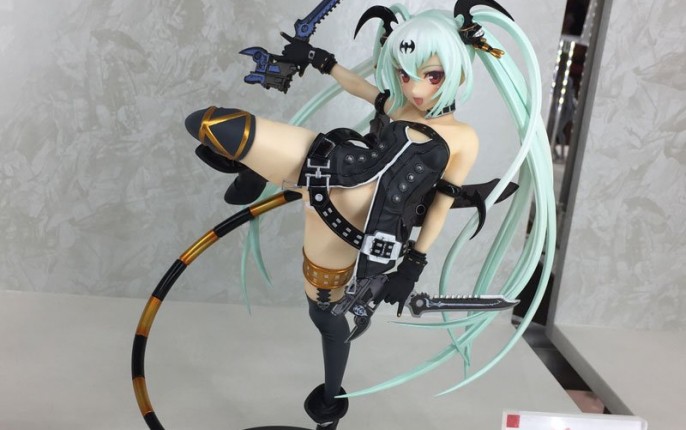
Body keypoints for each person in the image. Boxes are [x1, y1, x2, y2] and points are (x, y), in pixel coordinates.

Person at [184, 2, 555, 429]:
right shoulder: (399, 106)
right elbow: (359, 87)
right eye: (405, 75)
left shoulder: (462, 138)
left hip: (350, 231)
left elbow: (440, 204)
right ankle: (257, 170)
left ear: (456, 70)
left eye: (432, 76)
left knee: (325, 317)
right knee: (210, 124)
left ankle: (329, 401)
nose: (416, 88)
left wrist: (413, 265)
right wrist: (318, 59)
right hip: (323, 168)